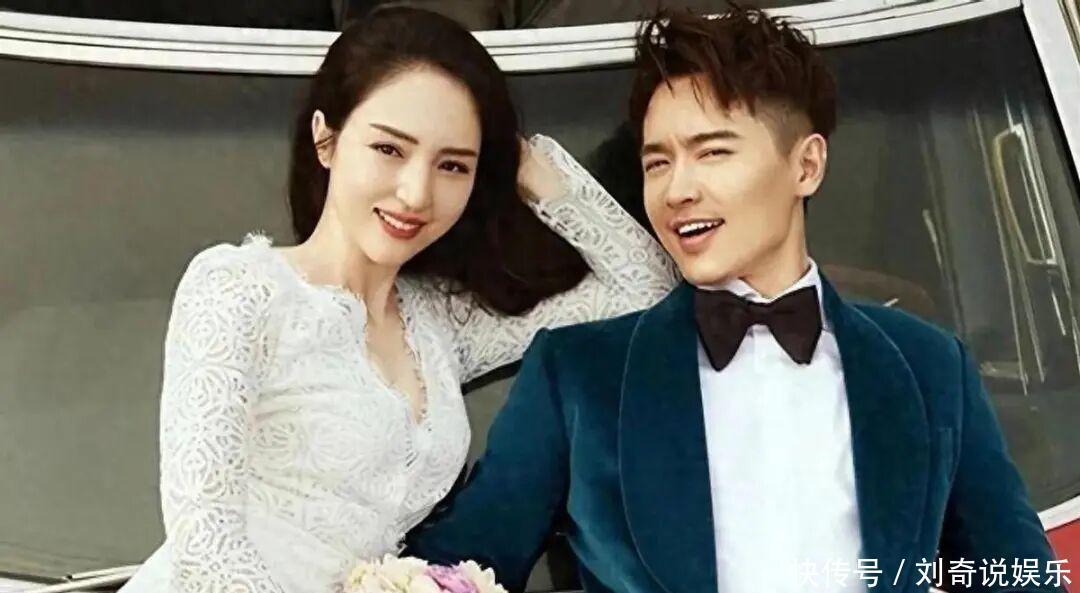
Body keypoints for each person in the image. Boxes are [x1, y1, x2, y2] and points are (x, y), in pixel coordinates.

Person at [406, 6, 1062, 593]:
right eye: (658, 162)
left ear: (806, 165)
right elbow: (453, 571)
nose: (677, 190)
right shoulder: (579, 374)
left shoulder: (931, 367)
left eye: (712, 152)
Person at [119, 7, 677, 593]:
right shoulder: (240, 287)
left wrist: (526, 163)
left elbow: (644, 291)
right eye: (390, 149)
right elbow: (206, 545)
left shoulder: (440, 325)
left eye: (452, 164)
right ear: (326, 139)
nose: (416, 193)